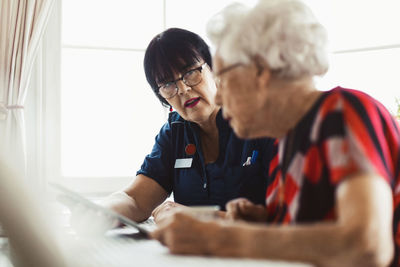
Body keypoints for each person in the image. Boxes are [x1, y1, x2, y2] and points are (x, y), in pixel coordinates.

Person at [151, 1, 400, 266]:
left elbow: (367, 245)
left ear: (260, 71)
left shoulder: (342, 113)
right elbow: (317, 234)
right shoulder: (289, 141)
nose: (220, 94)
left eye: (224, 77)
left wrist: (223, 238)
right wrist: (266, 219)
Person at [102, 28, 275, 223]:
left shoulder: (263, 122)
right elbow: (135, 199)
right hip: (191, 252)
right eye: (167, 84)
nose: (183, 89)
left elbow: (292, 216)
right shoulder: (174, 132)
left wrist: (198, 217)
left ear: (214, 69)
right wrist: (101, 211)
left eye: (190, 72)